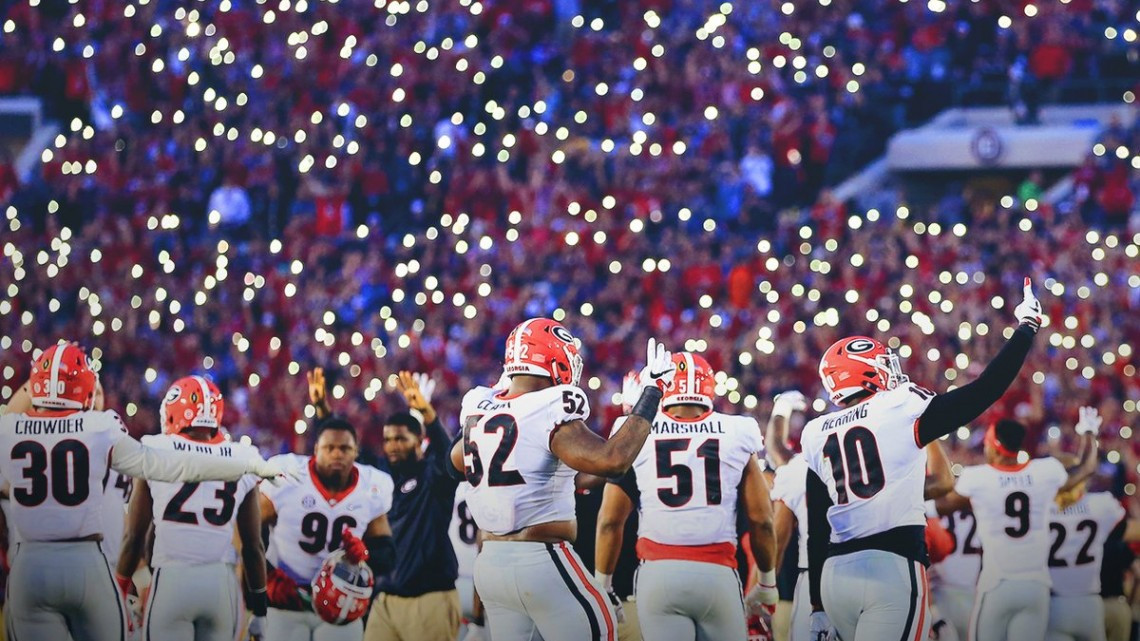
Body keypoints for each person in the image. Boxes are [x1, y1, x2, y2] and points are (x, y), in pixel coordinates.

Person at [802, 278, 1044, 641]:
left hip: (835, 578)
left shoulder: (815, 430)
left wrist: (818, 604)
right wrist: (1026, 329)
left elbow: (818, 525)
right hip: (890, 567)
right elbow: (983, 392)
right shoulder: (899, 405)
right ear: (866, 370)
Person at [0, 342, 292, 641]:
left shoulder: (8, 429)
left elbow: (135, 536)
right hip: (99, 563)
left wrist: (44, 375)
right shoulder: (103, 427)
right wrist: (245, 465)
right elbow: (250, 543)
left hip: (33, 565)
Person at [447, 319, 676, 641]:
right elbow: (612, 462)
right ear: (555, 360)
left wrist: (626, 421)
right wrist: (651, 394)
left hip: (491, 566)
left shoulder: (478, 406)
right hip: (541, 561)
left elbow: (454, 463)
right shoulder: (549, 405)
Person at [594, 352, 777, 641]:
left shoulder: (635, 433)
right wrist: (767, 583)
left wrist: (602, 586)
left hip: (659, 574)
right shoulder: (737, 430)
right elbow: (762, 519)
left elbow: (609, 521)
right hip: (717, 574)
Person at [770, 404, 955, 641]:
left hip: (817, 580)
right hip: (882, 572)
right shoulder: (890, 470)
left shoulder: (797, 466)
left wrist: (766, 586)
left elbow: (779, 536)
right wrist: (924, 430)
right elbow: (943, 483)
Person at [116, 375, 269, 641]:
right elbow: (253, 547)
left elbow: (134, 539)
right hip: (220, 585)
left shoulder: (155, 448)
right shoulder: (242, 456)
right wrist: (260, 610)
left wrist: (120, 586)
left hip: (172, 580)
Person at [937, 412, 1099, 641]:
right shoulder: (1044, 471)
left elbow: (940, 505)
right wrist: (1089, 433)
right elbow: (1086, 468)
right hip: (1036, 586)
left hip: (997, 584)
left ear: (994, 447)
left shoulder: (978, 477)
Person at [259, 411, 395, 641]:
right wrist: (267, 575)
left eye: (345, 449)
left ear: (356, 452)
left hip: (341, 603)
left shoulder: (371, 486)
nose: (337, 454)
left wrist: (364, 554)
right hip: (287, 600)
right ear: (316, 450)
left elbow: (386, 552)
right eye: (329, 448)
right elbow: (249, 531)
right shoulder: (290, 475)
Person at [358, 371, 464, 641]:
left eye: (401, 439)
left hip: (430, 599)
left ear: (420, 440)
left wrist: (428, 414)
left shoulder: (433, 474)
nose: (392, 446)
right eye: (388, 440)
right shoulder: (383, 477)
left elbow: (448, 453)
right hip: (385, 599)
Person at [1045, 465, 1136, 641]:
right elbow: (1128, 530)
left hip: (1055, 603)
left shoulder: (1041, 508)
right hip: (1089, 603)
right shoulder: (1099, 505)